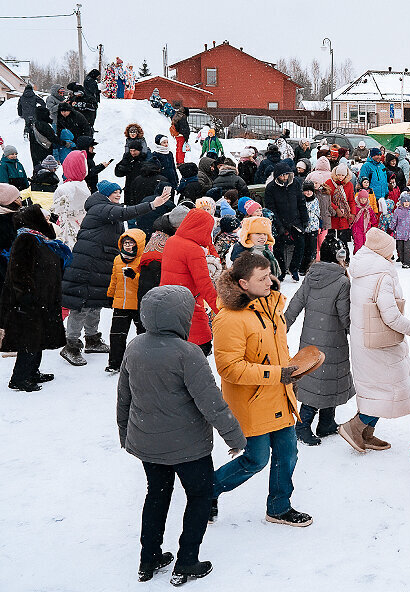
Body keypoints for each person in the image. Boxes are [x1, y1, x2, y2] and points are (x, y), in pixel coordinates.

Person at [116, 285, 245, 585]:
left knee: (156, 496)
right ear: (182, 316)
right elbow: (211, 403)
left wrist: (125, 433)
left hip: (148, 443)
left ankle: (148, 560)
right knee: (199, 496)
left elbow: (124, 396)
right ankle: (187, 561)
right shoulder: (188, 354)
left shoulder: (134, 347)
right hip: (188, 447)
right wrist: (235, 438)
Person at [211, 252, 312, 527]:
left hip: (279, 394)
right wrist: (277, 374)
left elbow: (274, 350)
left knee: (288, 453)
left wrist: (292, 370)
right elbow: (230, 368)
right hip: (252, 400)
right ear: (243, 283)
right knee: (255, 459)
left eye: (270, 275)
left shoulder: (271, 306)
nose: (270, 282)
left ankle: (279, 507)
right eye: (262, 278)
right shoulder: (229, 319)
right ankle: (207, 490)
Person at [60, 183, 171, 366]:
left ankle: (92, 339)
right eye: (114, 192)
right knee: (81, 305)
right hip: (87, 264)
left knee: (95, 303)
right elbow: (125, 212)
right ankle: (71, 345)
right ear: (105, 194)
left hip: (99, 263)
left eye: (120, 192)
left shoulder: (109, 209)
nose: (118, 195)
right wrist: (152, 205)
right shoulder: (100, 208)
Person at [339, 228, 410, 453]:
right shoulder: (383, 275)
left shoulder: (363, 269)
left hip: (365, 340)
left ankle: (366, 433)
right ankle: (355, 427)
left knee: (375, 389)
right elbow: (390, 316)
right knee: (388, 390)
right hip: (381, 342)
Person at [284, 236, 352, 447]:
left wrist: (283, 325)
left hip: (311, 341)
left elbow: (296, 303)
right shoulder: (342, 282)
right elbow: (345, 315)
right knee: (324, 383)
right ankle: (302, 426)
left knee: (317, 380)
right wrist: (356, 331)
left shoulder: (312, 275)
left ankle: (326, 423)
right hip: (333, 340)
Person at [2, 206, 69, 392]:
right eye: (45, 218)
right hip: (30, 301)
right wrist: (27, 297)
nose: (48, 221)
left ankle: (32, 371)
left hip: (41, 298)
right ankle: (20, 378)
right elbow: (19, 272)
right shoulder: (26, 239)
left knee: (38, 337)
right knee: (30, 339)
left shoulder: (38, 238)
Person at [160, 209, 220, 356]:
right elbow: (204, 285)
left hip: (168, 302)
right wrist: (220, 310)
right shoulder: (194, 250)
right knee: (199, 349)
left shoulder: (172, 241)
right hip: (190, 307)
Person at [105, 229, 147, 373]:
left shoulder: (142, 260)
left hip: (137, 304)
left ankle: (143, 361)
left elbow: (145, 283)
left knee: (142, 334)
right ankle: (115, 363)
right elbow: (114, 279)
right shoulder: (118, 259)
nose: (127, 246)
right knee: (117, 334)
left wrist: (133, 276)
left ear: (138, 244)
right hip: (120, 303)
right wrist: (110, 295)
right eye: (125, 243)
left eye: (131, 243)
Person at [264, 162, 308, 282]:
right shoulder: (271, 188)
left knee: (300, 244)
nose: (284, 178)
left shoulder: (295, 184)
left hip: (295, 219)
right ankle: (281, 270)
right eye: (282, 175)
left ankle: (294, 268)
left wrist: (305, 219)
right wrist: (279, 225)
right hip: (280, 221)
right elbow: (271, 207)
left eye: (286, 175)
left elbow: (301, 202)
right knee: (278, 247)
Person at [389, 191, 410, 269]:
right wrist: (391, 228)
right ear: (401, 202)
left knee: (408, 249)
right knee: (400, 248)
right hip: (400, 233)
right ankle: (402, 260)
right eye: (404, 201)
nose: (406, 203)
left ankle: (408, 263)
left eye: (408, 201)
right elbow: (394, 220)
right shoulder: (397, 211)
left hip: (409, 233)